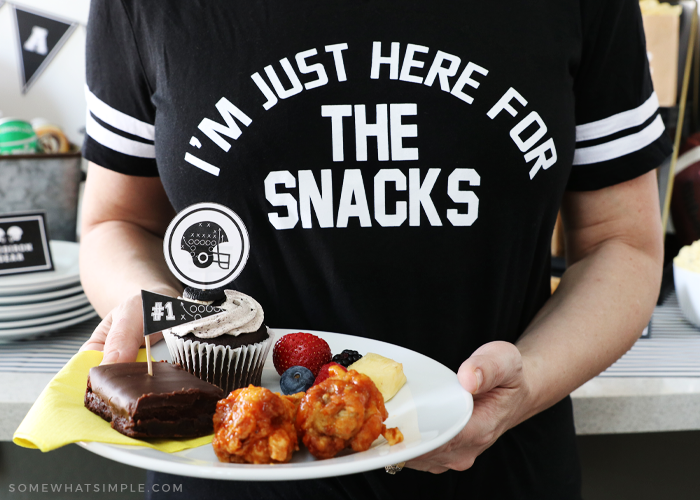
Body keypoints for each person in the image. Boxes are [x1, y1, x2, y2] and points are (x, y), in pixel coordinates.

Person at [79, 0, 670, 498]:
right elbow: (117, 221)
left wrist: (529, 382)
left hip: (501, 468)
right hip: (226, 464)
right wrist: (153, 304)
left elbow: (621, 241)